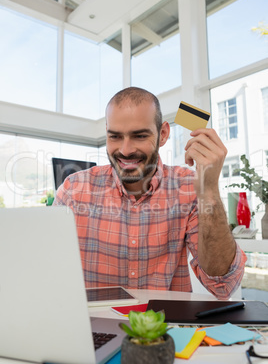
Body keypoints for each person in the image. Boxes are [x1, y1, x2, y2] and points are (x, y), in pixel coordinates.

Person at [53, 87, 246, 300]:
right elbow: (48, 273)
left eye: (139, 135)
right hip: (92, 329)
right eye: (115, 136)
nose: (125, 150)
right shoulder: (74, 191)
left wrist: (209, 191)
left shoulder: (189, 188)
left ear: (163, 134)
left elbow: (223, 285)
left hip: (165, 329)